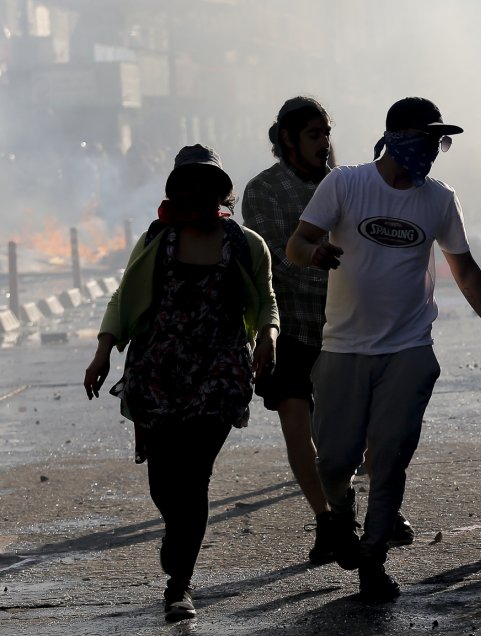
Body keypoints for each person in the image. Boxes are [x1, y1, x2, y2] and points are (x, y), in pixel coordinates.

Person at [285, 96, 481, 603]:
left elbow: (463, 269)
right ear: (396, 137)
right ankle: (340, 517)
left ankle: (373, 560)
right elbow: (295, 243)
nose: (433, 151)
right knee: (333, 461)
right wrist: (314, 252)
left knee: (390, 459)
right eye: (425, 139)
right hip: (343, 348)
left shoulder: (439, 199)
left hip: (410, 348)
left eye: (438, 141)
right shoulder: (345, 183)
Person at [83, 144, 279, 622]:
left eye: (206, 185)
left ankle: (180, 585)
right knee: (165, 485)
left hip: (218, 375)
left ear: (218, 193)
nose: (196, 193)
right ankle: (178, 538)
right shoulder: (157, 239)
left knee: (193, 478)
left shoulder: (246, 243)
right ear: (175, 191)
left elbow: (267, 299)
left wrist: (268, 339)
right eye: (186, 184)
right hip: (157, 374)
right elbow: (124, 295)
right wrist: (104, 349)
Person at [242, 96, 412, 567]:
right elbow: (278, 259)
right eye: (313, 134)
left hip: (351, 329)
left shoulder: (349, 184)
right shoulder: (265, 190)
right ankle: (328, 519)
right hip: (294, 327)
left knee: (370, 430)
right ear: (287, 139)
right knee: (298, 428)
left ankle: (382, 508)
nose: (323, 143)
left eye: (326, 133)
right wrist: (335, 268)